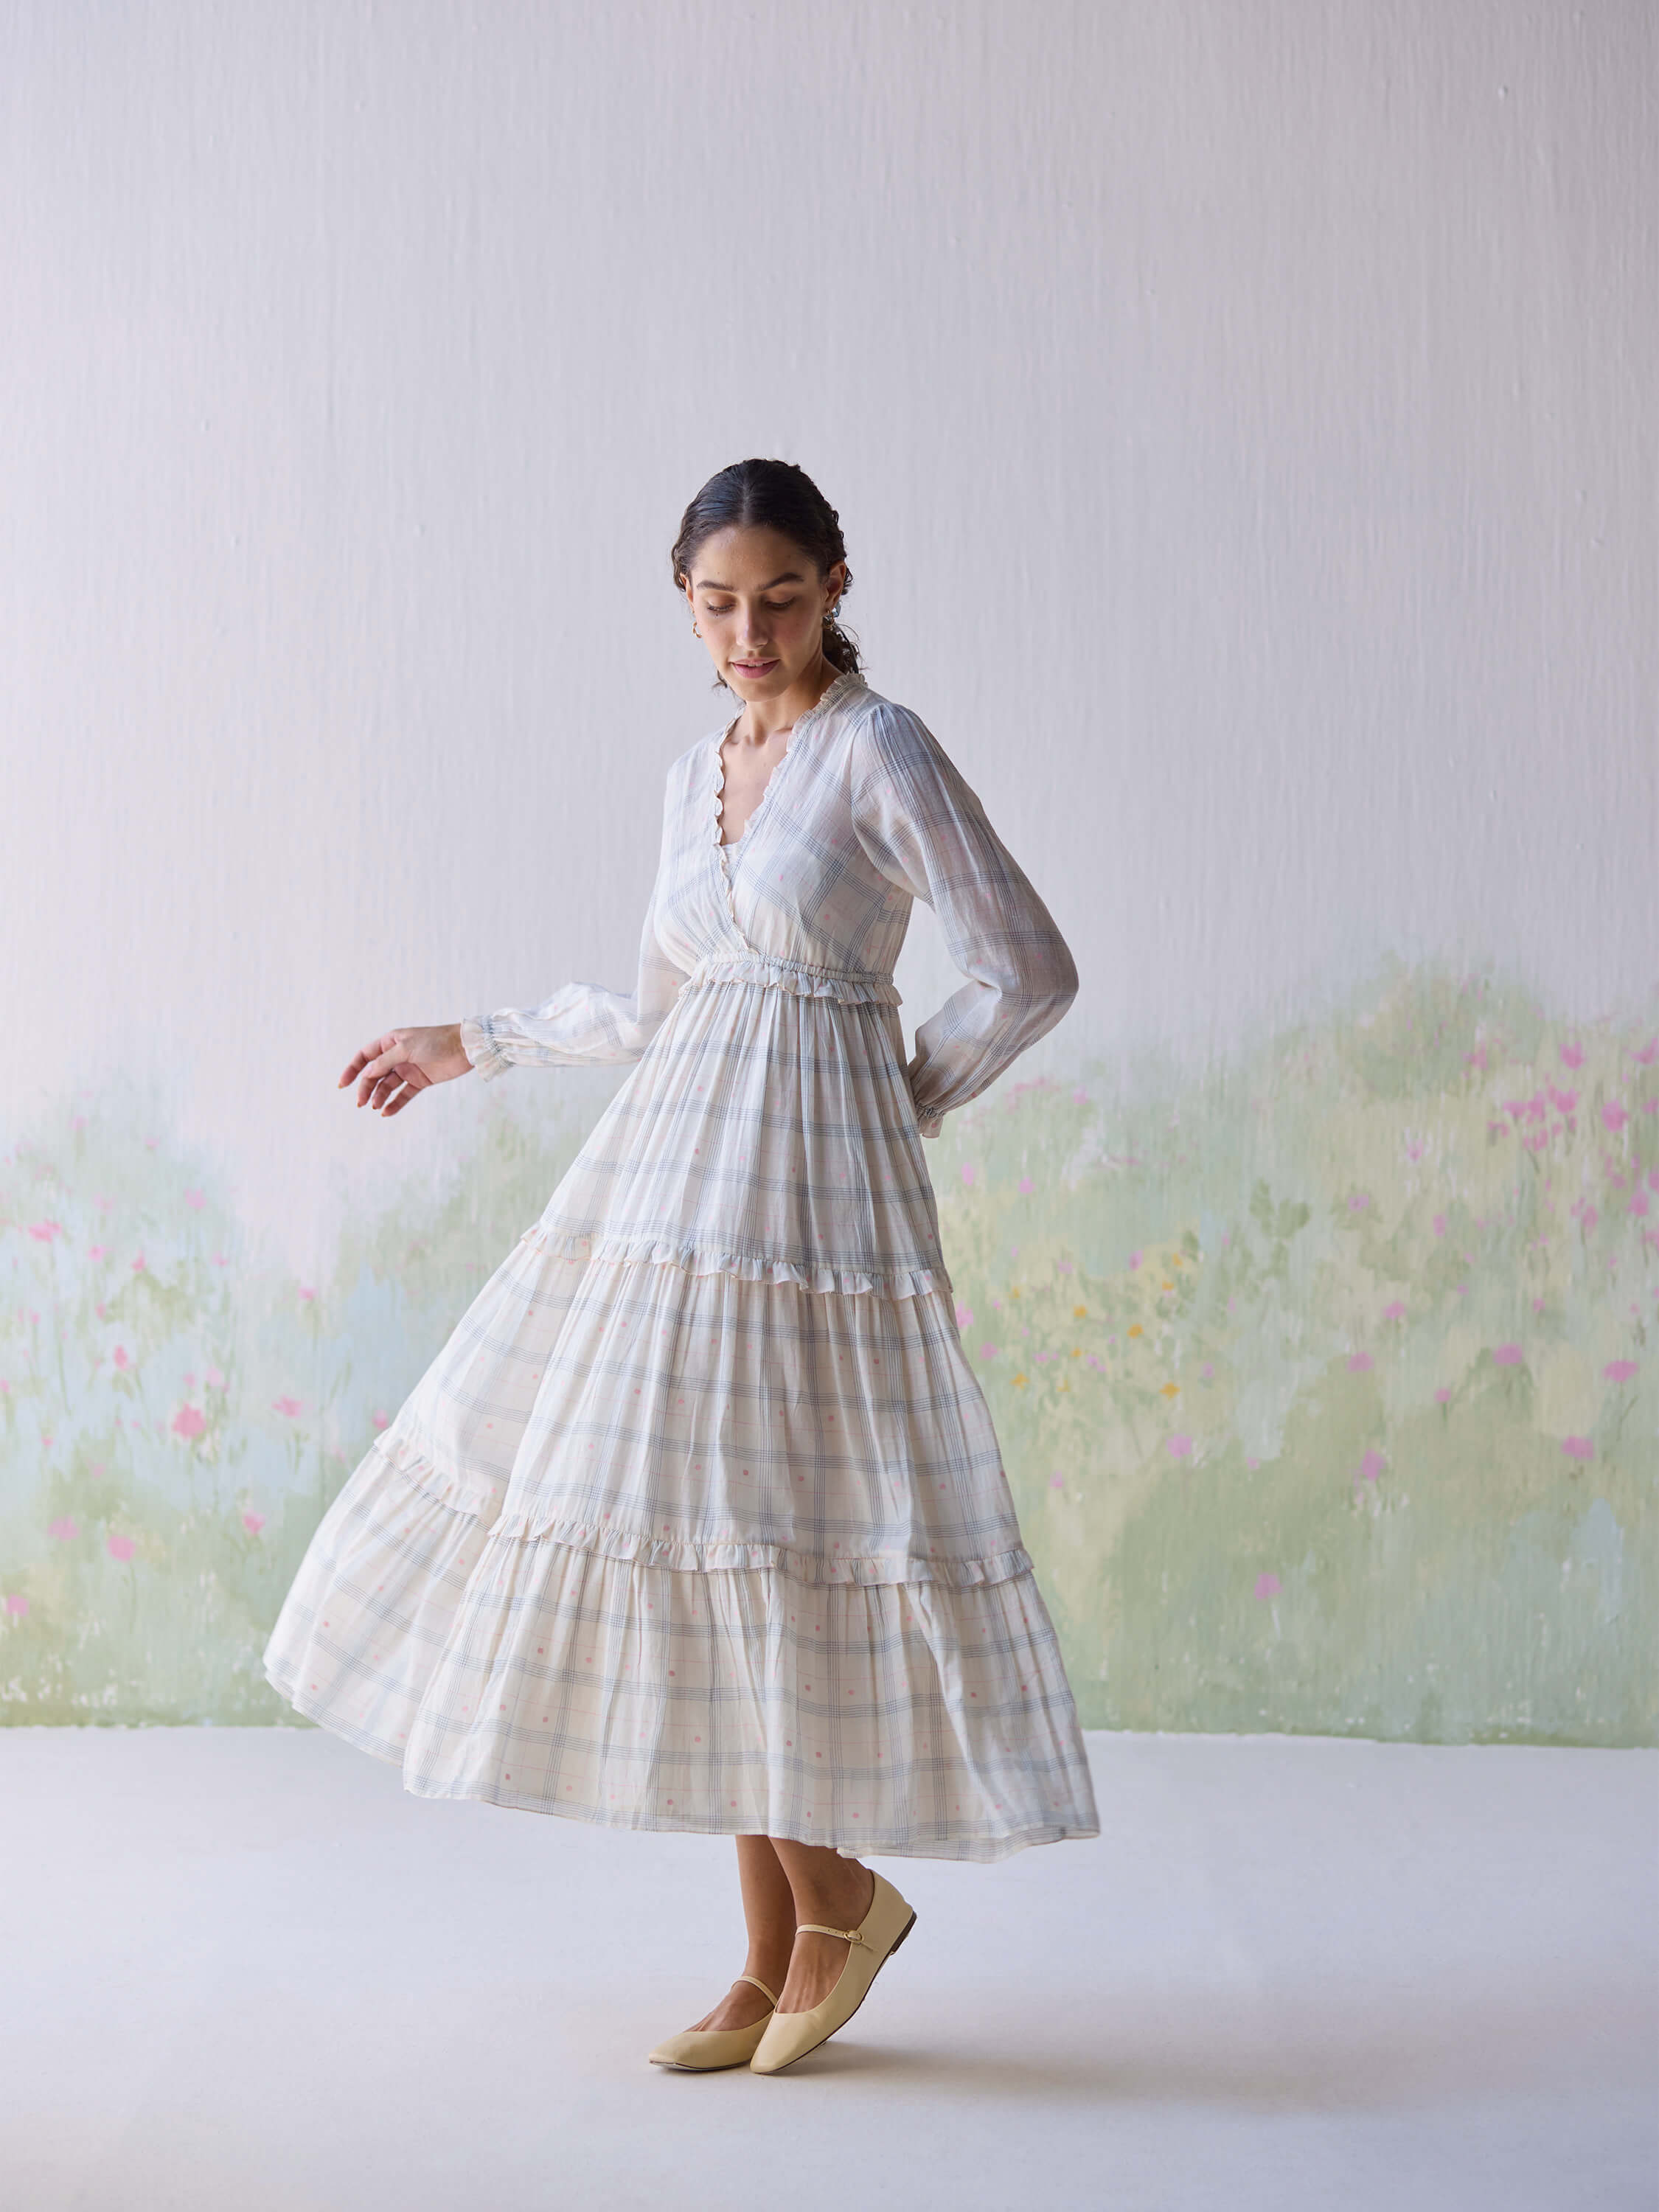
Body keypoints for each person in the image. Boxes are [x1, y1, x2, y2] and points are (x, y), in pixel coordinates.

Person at [262, 457, 1100, 2076]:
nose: (749, 632)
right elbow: (662, 1008)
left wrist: (896, 1096)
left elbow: (1027, 964)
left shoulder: (880, 748)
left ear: (837, 586)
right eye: (717, 604)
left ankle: (842, 1897)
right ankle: (773, 1945)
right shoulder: (693, 773)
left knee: (773, 1515)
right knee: (697, 1517)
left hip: (813, 1215)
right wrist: (475, 1042)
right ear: (686, 605)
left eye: (780, 597)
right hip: (678, 1181)